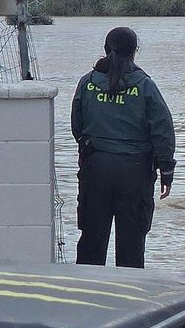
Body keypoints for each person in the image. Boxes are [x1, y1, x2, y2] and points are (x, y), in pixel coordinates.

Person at [70, 26, 175, 268]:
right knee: (132, 248)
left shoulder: (88, 83)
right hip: (135, 172)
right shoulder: (145, 85)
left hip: (95, 169)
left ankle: (84, 298)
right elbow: (162, 130)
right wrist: (166, 170)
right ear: (134, 52)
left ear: (106, 49)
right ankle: (131, 301)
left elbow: (78, 126)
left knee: (90, 245)